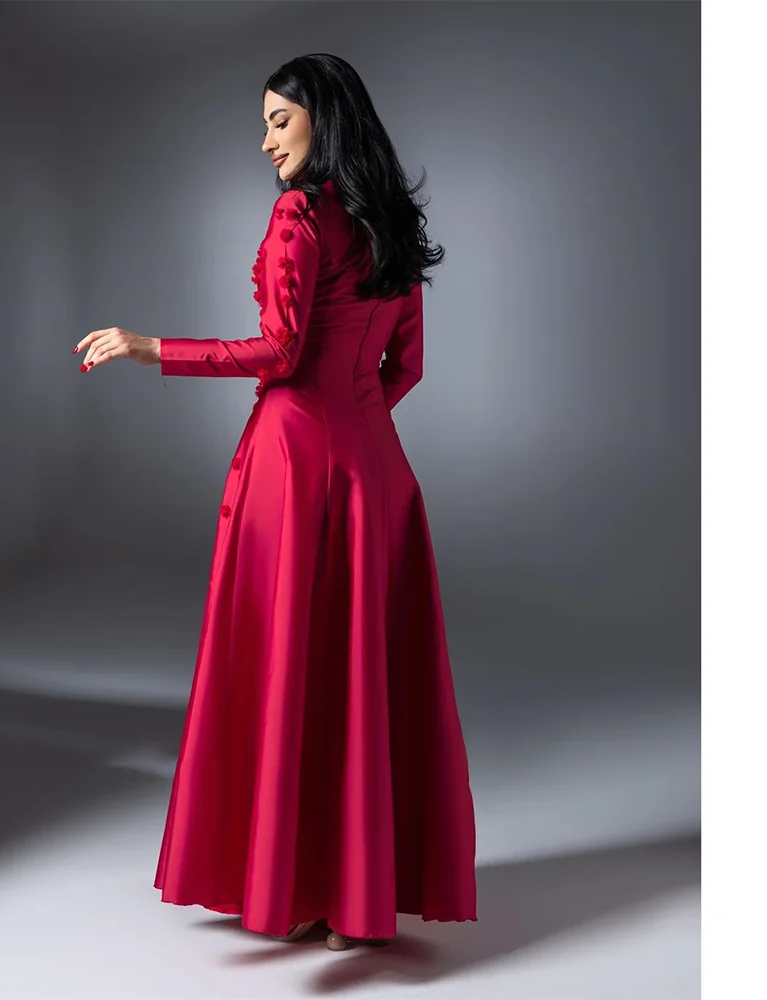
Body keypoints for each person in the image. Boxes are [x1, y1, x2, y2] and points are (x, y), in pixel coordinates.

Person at [73, 54, 477, 953]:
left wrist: (151, 347)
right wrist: (354, 422)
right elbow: (405, 367)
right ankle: (354, 900)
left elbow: (281, 352)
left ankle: (296, 884)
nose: (265, 141)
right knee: (359, 679)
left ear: (323, 121)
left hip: (292, 467)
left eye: (278, 121)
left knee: (293, 668)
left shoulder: (301, 214)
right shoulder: (393, 220)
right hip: (378, 473)